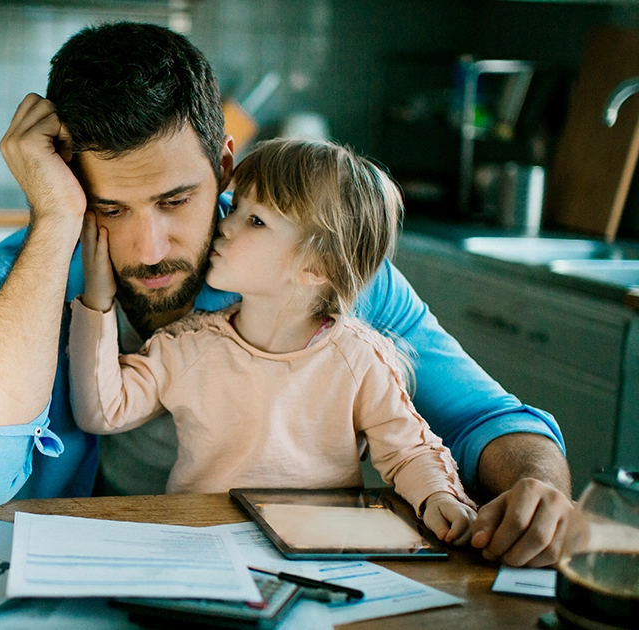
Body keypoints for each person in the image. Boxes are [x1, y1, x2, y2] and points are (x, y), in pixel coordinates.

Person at [0, 21, 573, 567]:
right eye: (109, 208)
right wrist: (54, 223)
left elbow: (485, 418)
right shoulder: (20, 279)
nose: (150, 247)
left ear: (223, 167)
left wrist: (537, 487)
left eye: (175, 201)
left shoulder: (316, 271)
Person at [69, 137, 478, 544]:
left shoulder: (359, 359)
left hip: (321, 552)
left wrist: (440, 496)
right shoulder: (187, 346)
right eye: (238, 206)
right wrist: (98, 301)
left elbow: (408, 452)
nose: (225, 224)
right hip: (206, 544)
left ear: (317, 267)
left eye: (256, 220)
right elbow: (103, 412)